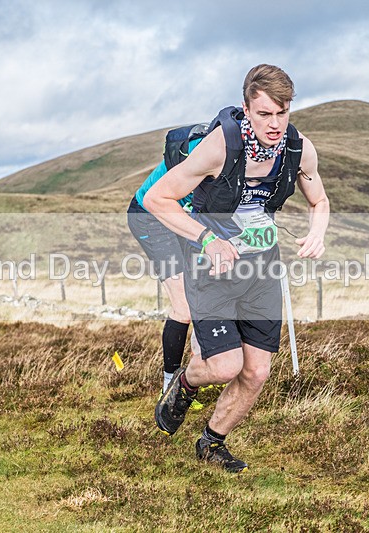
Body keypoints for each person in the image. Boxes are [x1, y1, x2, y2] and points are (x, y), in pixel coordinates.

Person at [147, 64, 330, 472]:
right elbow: (158, 199)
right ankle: (187, 381)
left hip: (262, 270)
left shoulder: (299, 148)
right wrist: (207, 239)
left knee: (257, 371)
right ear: (247, 108)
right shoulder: (218, 147)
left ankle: (212, 442)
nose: (274, 124)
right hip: (211, 268)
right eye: (264, 114)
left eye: (281, 113)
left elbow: (320, 201)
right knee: (225, 364)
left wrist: (318, 231)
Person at [127, 141, 205, 409]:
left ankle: (195, 378)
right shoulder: (212, 150)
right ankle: (170, 389)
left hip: (181, 216)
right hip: (148, 215)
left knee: (202, 295)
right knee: (183, 306)